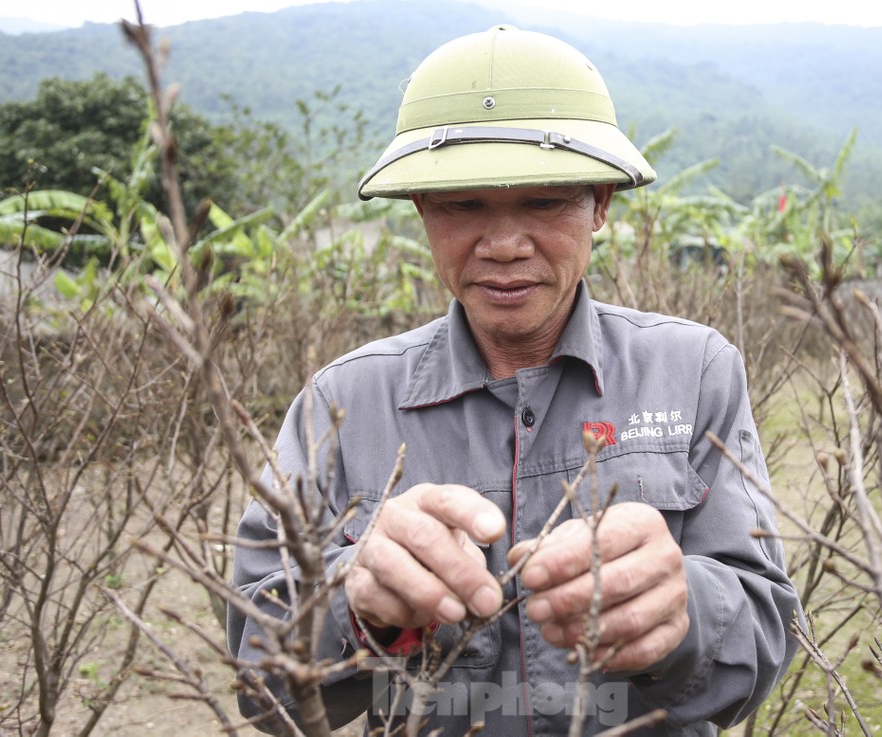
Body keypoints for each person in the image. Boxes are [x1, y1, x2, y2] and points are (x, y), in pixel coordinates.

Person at [228, 24, 801, 736]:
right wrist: (356, 600)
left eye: (543, 201)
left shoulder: (693, 372)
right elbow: (261, 681)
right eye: (463, 205)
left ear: (600, 205)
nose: (502, 245)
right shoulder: (346, 402)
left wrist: (683, 609)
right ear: (421, 212)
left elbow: (765, 637)